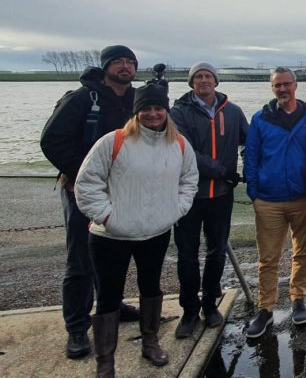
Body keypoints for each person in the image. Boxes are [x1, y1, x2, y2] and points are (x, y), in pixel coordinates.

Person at [75, 80, 198, 378]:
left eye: (158, 108)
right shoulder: (112, 142)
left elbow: (189, 180)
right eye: (146, 108)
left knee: (152, 287)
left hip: (155, 233)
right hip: (111, 236)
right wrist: (107, 216)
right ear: (136, 112)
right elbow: (86, 183)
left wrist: (175, 211)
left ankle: (151, 342)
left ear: (166, 111)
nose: (153, 114)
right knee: (107, 296)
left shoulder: (179, 144)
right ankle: (106, 361)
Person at [40, 45, 142, 359]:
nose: (125, 66)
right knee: (80, 260)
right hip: (83, 192)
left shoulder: (136, 99)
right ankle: (76, 328)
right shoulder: (84, 98)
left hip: (121, 191)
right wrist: (82, 175)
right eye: (118, 62)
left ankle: (111, 304)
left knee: (111, 252)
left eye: (130, 62)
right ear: (106, 67)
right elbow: (51, 140)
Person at [170, 62, 249, 337]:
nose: (203, 81)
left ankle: (210, 304)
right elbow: (184, 149)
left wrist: (247, 167)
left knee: (216, 252)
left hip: (222, 196)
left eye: (208, 76)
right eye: (198, 77)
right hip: (189, 195)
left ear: (216, 81)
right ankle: (189, 311)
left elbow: (248, 142)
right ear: (192, 82)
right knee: (187, 255)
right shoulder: (179, 112)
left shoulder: (234, 111)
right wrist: (223, 172)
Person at [243, 67, 306, 338]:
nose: (283, 89)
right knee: (268, 258)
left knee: (302, 252)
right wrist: (254, 192)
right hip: (268, 200)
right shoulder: (260, 119)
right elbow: (250, 158)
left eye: (287, 84)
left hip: (302, 199)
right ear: (272, 88)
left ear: (296, 85)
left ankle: (298, 299)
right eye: (277, 86)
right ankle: (265, 309)